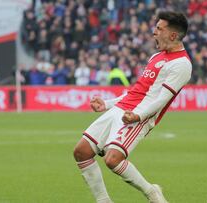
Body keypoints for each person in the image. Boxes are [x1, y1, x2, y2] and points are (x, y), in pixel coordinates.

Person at [73, 11, 192, 203]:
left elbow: (162, 99)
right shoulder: (156, 57)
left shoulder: (181, 64)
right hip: (120, 109)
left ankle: (151, 192)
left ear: (172, 35)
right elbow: (137, 90)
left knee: (112, 159)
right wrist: (107, 104)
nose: (154, 32)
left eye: (159, 29)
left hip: (138, 116)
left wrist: (137, 116)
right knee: (81, 152)